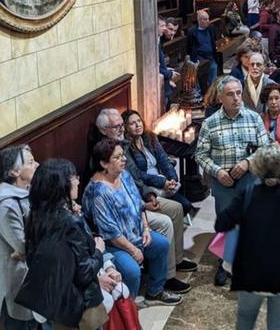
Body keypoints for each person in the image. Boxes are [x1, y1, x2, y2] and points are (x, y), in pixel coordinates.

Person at [95, 108, 191, 294]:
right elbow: (137, 177)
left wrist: (163, 185)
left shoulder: (138, 141)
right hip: (133, 210)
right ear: (104, 130)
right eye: (118, 126)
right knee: (166, 221)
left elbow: (135, 180)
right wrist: (148, 200)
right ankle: (166, 276)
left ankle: (176, 262)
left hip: (142, 198)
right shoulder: (106, 154)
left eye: (122, 125)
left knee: (178, 209)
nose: (122, 129)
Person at [214, 144, 280, 330]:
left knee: (245, 321)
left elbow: (221, 224)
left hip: (251, 271)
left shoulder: (247, 194)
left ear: (257, 168)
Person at [82, 139, 182, 305]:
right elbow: (111, 233)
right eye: (117, 157)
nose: (124, 159)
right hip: (113, 245)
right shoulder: (97, 192)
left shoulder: (124, 175)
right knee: (132, 270)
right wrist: (133, 250)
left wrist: (146, 229)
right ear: (104, 163)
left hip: (136, 234)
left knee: (161, 244)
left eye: (123, 155)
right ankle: (128, 308)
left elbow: (139, 205)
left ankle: (155, 291)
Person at [195, 76, 271, 285]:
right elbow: (200, 154)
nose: (236, 98)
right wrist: (217, 172)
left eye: (239, 93)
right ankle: (225, 264)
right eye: (230, 94)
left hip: (249, 178)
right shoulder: (210, 124)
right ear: (220, 97)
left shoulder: (253, 118)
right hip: (224, 182)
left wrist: (248, 161)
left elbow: (265, 147)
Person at [20, 159, 111, 330]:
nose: (77, 180)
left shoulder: (35, 216)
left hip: (50, 302)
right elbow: (84, 272)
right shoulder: (69, 222)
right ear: (62, 184)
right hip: (76, 306)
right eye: (73, 177)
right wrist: (98, 251)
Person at [122, 110, 198, 268]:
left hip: (161, 184)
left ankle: (177, 256)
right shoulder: (126, 148)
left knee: (185, 205)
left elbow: (163, 159)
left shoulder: (149, 137)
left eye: (139, 121)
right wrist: (161, 182)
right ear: (126, 128)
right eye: (132, 123)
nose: (137, 125)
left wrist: (172, 179)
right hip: (148, 188)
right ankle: (166, 259)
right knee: (178, 209)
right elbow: (138, 174)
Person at [0, 145, 40, 330]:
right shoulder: (6, 205)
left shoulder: (27, 194)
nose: (37, 164)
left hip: (32, 278)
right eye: (30, 162)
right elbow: (23, 246)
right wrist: (33, 247)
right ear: (14, 171)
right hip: (17, 285)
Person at [187, 9, 220, 86]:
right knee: (200, 79)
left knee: (213, 73)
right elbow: (189, 47)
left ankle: (212, 92)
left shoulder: (211, 28)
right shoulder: (192, 31)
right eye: (205, 19)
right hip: (199, 59)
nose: (208, 21)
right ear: (199, 20)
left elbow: (214, 40)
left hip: (211, 57)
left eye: (208, 19)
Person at [158, 17, 178, 106]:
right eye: (170, 29)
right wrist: (169, 74)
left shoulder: (160, 40)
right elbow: (154, 67)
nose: (172, 33)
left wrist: (165, 69)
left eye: (175, 31)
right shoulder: (156, 41)